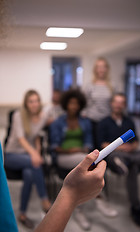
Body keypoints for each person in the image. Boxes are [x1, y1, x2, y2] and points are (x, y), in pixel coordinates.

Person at [49, 89, 117, 230]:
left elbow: (89, 143)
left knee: (87, 165)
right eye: (71, 103)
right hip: (63, 156)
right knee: (88, 164)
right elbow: (54, 147)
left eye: (76, 104)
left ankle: (79, 209)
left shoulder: (85, 122)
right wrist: (71, 150)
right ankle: (99, 199)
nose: (73, 106)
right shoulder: (58, 122)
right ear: (65, 104)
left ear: (80, 105)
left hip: (82, 155)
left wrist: (83, 149)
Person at [98, 92, 140, 230]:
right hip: (114, 155)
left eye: (122, 102)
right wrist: (119, 147)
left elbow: (136, 141)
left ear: (124, 105)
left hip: (131, 154)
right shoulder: (103, 122)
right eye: (116, 101)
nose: (119, 105)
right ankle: (136, 208)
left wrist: (132, 146)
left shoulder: (129, 121)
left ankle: (127, 164)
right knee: (120, 158)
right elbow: (101, 144)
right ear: (111, 103)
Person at [4, 90, 51, 229]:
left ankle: (22, 214)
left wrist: (37, 151)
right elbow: (21, 138)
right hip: (12, 155)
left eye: (36, 100)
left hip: (27, 155)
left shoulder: (42, 116)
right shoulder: (19, 115)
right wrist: (34, 155)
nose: (34, 104)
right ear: (26, 103)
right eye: (31, 101)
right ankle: (45, 200)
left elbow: (36, 136)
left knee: (29, 173)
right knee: (34, 163)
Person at [82, 57, 113, 148]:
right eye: (99, 67)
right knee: (94, 148)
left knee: (106, 147)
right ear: (95, 69)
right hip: (92, 121)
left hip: (107, 121)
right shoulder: (89, 85)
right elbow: (84, 103)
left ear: (107, 69)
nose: (101, 69)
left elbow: (114, 103)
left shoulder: (112, 85)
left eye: (103, 67)